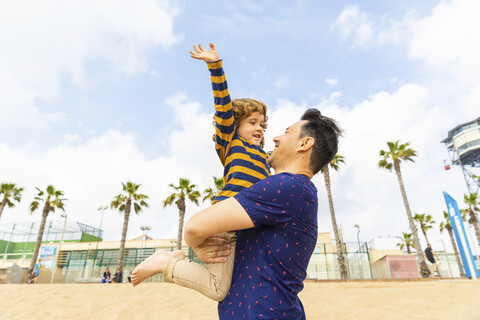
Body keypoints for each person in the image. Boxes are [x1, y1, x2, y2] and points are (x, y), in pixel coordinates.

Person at [131, 108, 341, 319]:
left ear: (305, 144)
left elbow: (195, 226)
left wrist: (197, 246)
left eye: (286, 133)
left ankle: (164, 262)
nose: (275, 137)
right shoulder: (297, 192)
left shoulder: (286, 187)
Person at [131, 43, 270, 301]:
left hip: (247, 227)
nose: (260, 128)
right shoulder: (231, 143)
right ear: (235, 126)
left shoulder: (265, 158)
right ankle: (165, 262)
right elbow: (222, 106)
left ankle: (176, 258)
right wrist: (215, 66)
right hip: (226, 221)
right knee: (218, 289)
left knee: (230, 281)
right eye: (252, 122)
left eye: (262, 124)